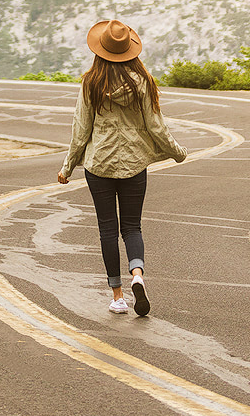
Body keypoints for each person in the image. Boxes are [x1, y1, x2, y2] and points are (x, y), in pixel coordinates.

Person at [57, 18, 187, 316]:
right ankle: (137, 274)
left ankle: (117, 296)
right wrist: (177, 152)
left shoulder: (91, 83)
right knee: (132, 226)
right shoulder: (142, 82)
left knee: (107, 229)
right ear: (130, 50)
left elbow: (81, 129)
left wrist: (68, 167)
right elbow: (156, 127)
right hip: (134, 164)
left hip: (98, 166)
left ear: (100, 50)